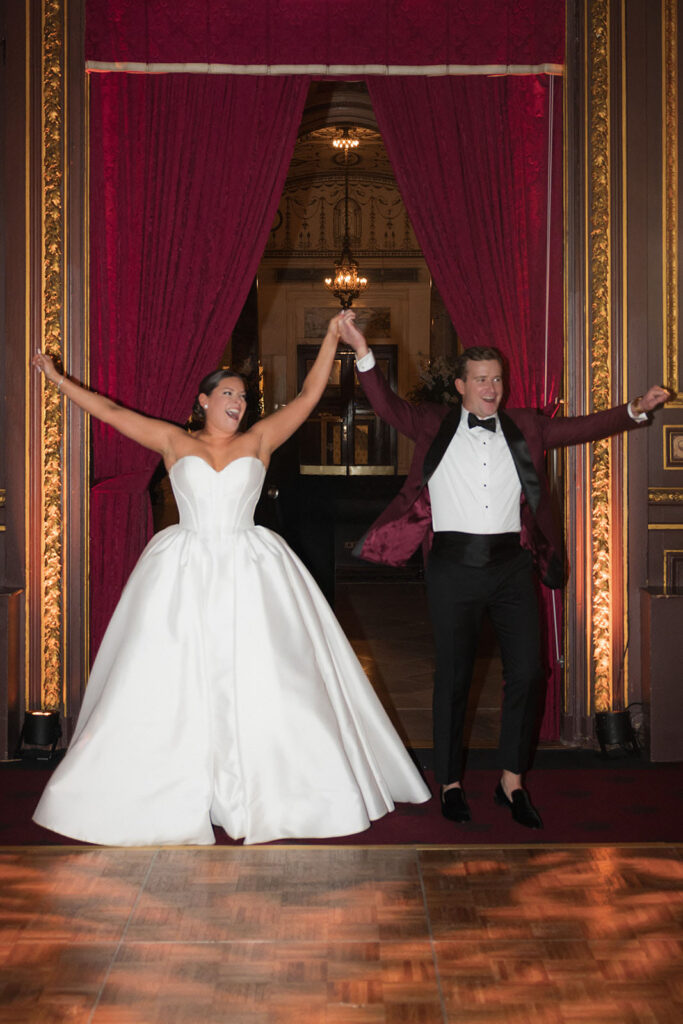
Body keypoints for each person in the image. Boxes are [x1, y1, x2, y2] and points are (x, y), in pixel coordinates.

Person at [31, 312, 430, 846]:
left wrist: (334, 337)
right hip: (182, 570)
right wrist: (58, 381)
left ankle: (273, 790)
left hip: (250, 568)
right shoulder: (173, 441)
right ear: (203, 401)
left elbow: (308, 397)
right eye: (227, 394)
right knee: (169, 677)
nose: (238, 402)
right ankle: (163, 786)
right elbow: (112, 411)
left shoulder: (260, 440)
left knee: (268, 677)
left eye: (242, 396)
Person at [338, 312, 670, 829]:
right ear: (460, 386)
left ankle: (511, 780)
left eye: (496, 379)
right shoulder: (431, 423)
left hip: (512, 566)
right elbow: (385, 403)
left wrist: (635, 409)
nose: (491, 388)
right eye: (481, 380)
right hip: (452, 566)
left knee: (530, 671)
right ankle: (449, 782)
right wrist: (361, 348)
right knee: (453, 676)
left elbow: (582, 428)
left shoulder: (527, 426)